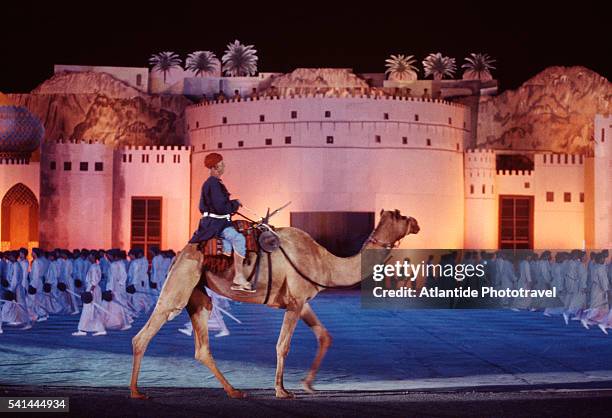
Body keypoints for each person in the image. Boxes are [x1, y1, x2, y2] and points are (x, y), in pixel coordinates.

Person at [189, 152, 254, 293]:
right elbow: (220, 207)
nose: (224, 166)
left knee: (232, 242)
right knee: (239, 239)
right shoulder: (213, 184)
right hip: (216, 225)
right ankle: (239, 276)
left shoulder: (213, 184)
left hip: (216, 222)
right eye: (222, 164)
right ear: (216, 166)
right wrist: (235, 204)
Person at [73, 251, 106, 336]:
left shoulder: (94, 267)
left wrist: (90, 291)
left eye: (91, 256)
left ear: (94, 257)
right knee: (93, 310)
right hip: (93, 289)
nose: (89, 257)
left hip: (93, 289)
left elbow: (94, 281)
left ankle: (82, 329)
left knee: (89, 309)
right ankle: (98, 328)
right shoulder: (94, 266)